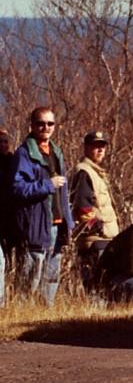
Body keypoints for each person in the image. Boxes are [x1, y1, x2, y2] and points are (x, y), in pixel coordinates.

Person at [10, 107, 75, 306]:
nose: (45, 127)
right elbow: (18, 188)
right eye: (40, 123)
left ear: (55, 126)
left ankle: (45, 315)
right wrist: (47, 185)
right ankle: (22, 314)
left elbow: (62, 192)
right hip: (35, 225)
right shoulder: (24, 153)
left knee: (52, 276)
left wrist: (69, 221)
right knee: (31, 275)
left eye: (49, 123)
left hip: (57, 223)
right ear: (32, 125)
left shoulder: (56, 151)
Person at [71, 131, 119, 291]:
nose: (100, 150)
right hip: (95, 241)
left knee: (103, 286)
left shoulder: (97, 172)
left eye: (102, 147)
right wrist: (96, 226)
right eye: (95, 146)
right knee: (95, 286)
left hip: (104, 239)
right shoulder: (84, 172)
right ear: (86, 148)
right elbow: (83, 207)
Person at [0, 130, 15, 308]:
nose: (3, 145)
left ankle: (9, 304)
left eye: (5, 141)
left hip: (9, 223)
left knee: (11, 264)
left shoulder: (13, 162)